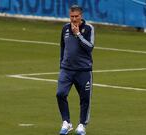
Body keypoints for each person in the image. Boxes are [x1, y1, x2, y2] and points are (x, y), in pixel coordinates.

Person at [56, 5, 95, 135]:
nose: (73, 19)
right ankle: (66, 122)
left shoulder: (89, 28)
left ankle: (82, 125)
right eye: (71, 16)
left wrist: (78, 34)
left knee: (84, 99)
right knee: (60, 94)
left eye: (76, 16)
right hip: (66, 69)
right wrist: (62, 63)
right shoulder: (65, 28)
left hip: (83, 70)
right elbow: (63, 47)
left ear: (81, 16)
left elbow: (89, 47)